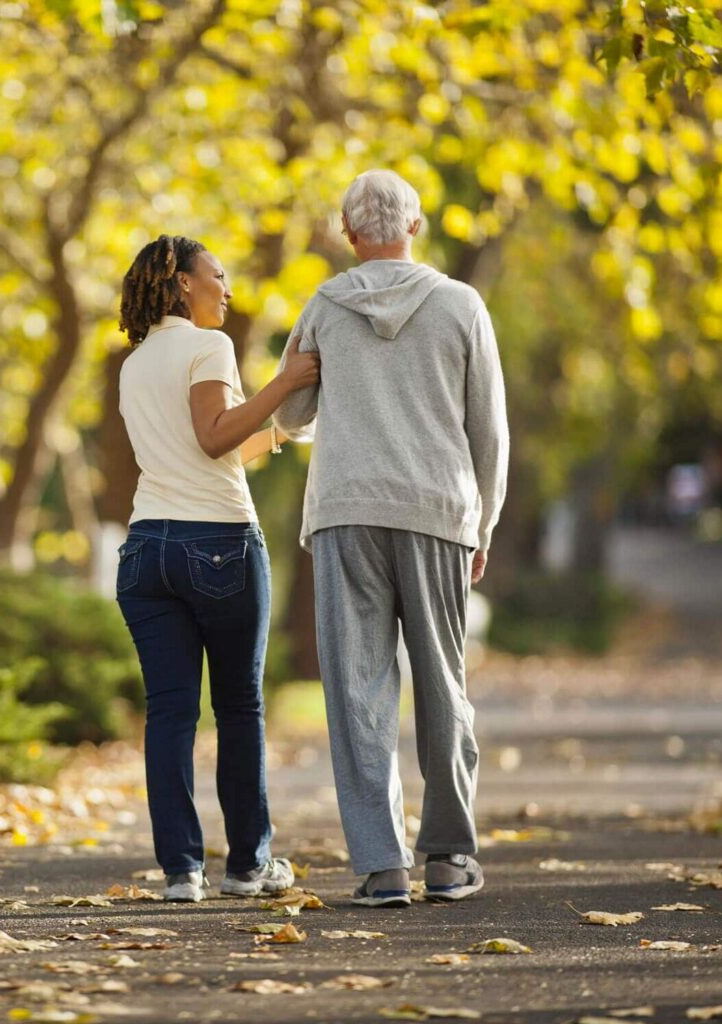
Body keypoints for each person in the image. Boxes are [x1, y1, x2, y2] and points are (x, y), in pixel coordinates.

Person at [275, 170, 509, 907]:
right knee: (443, 683)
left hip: (345, 511)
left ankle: (382, 867)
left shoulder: (323, 305)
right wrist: (485, 520)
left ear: (348, 233)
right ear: (415, 225)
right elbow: (488, 431)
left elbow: (291, 415)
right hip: (436, 509)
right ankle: (445, 858)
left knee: (355, 688)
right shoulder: (459, 305)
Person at [115, 234, 319, 902]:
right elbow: (212, 436)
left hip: (147, 550)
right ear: (180, 283)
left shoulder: (135, 361)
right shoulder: (211, 347)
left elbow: (204, 450)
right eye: (218, 276)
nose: (227, 289)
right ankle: (247, 867)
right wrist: (285, 384)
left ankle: (180, 872)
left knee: (170, 712)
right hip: (220, 547)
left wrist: (280, 431)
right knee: (237, 707)